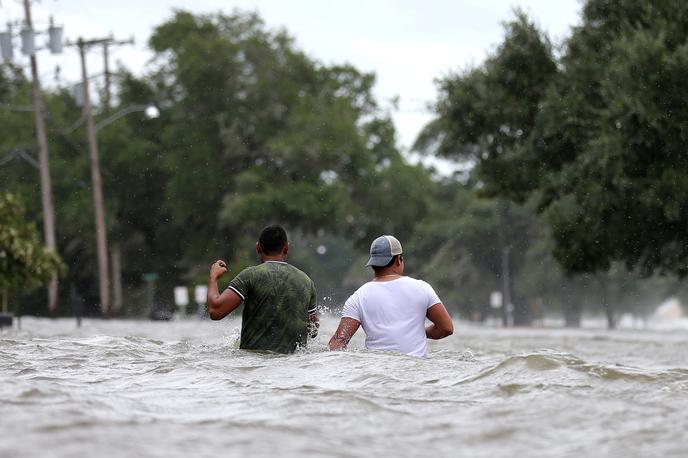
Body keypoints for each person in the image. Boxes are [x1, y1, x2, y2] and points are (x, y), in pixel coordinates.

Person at [329, 235, 453, 357]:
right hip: (415, 371)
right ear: (399, 259)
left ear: (373, 263)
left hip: (375, 371)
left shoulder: (358, 298)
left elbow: (338, 342)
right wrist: (422, 332)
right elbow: (446, 328)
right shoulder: (422, 288)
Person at [207, 224, 319, 353]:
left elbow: (215, 311)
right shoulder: (306, 281)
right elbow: (313, 331)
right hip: (294, 367)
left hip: (256, 365)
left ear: (258, 247)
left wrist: (213, 276)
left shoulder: (250, 276)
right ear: (286, 248)